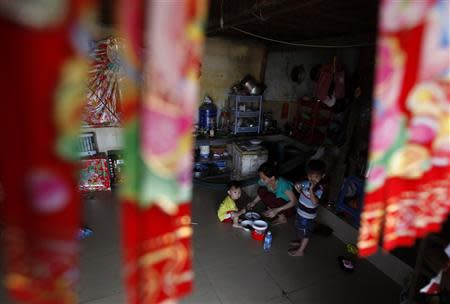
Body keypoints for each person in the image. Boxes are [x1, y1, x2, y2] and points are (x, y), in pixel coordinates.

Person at [288, 159, 326, 256]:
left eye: (316, 177)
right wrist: (298, 188)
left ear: (323, 176)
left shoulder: (320, 189)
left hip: (308, 217)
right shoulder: (306, 183)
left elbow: (314, 202)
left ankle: (300, 251)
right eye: (310, 176)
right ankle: (300, 242)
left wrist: (312, 190)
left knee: (306, 233)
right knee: (299, 227)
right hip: (300, 211)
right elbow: (302, 193)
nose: (312, 179)